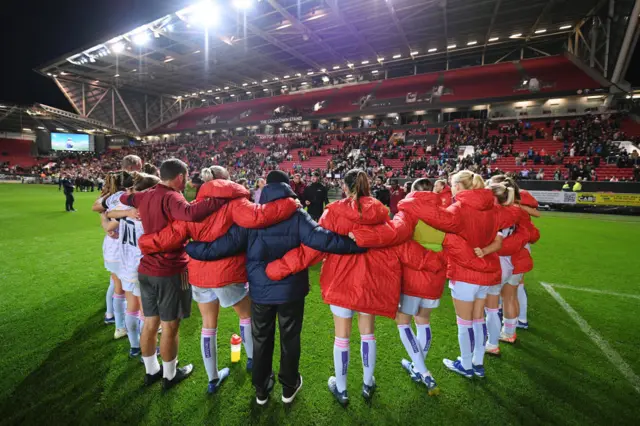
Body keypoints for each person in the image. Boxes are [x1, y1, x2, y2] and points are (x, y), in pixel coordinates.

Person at [265, 170, 444, 405]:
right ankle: (367, 383)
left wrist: (277, 268)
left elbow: (314, 249)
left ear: (345, 187)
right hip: (372, 282)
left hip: (341, 281)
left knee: (342, 337)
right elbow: (394, 241)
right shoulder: (381, 212)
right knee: (367, 334)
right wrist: (436, 261)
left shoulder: (334, 213)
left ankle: (342, 388)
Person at [186, 170, 365, 406]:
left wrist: (192, 249)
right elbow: (321, 238)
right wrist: (357, 244)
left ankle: (262, 388)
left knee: (262, 338)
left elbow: (224, 245)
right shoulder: (296, 214)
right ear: (287, 187)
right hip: (290, 291)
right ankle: (288, 386)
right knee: (289, 338)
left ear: (265, 189)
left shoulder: (252, 216)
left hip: (262, 290)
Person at [137, 166, 299, 394]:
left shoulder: (193, 208)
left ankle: (212, 379)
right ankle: (253, 358)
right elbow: (260, 216)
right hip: (226, 273)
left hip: (199, 275)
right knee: (246, 315)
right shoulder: (234, 203)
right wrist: (290, 203)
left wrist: (145, 243)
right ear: (226, 181)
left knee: (208, 325)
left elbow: (171, 236)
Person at [380, 171, 517, 379]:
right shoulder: (492, 208)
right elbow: (508, 221)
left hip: (466, 272)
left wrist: (409, 202)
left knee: (465, 322)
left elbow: (441, 221)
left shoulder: (460, 208)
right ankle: (478, 364)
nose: (450, 189)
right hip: (487, 271)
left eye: (452, 185)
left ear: (459, 186)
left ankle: (465, 364)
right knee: (478, 319)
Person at [119, 158, 228, 391]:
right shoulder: (171, 196)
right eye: (186, 176)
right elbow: (190, 213)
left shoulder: (147, 195)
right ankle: (169, 376)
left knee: (150, 323)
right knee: (169, 326)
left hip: (146, 269)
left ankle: (151, 371)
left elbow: (124, 197)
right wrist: (219, 199)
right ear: (180, 176)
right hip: (169, 269)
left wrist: (130, 206)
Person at [105, 172, 161, 357]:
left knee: (132, 307)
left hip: (126, 262)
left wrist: (126, 213)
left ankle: (135, 346)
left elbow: (108, 211)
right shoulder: (147, 209)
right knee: (147, 312)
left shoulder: (127, 205)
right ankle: (148, 349)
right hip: (142, 264)